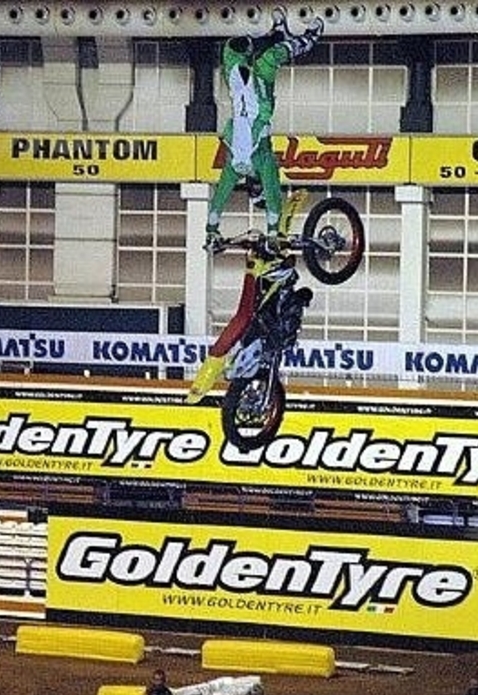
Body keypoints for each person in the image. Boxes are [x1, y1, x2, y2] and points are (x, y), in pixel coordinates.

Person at [187, 9, 323, 405]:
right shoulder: (253, 160)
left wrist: (214, 232)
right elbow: (251, 193)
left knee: (249, 53)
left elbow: (229, 195)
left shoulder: (239, 160)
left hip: (249, 100)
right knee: (267, 59)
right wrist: (218, 230)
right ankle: (293, 39)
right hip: (260, 96)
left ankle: (282, 36)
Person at [205, 7, 324, 245]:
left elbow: (223, 196)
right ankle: (309, 39)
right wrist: (272, 232)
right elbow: (270, 194)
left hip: (241, 96)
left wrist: (212, 230)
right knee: (268, 58)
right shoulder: (258, 162)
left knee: (236, 49)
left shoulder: (237, 166)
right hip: (258, 103)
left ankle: (277, 35)